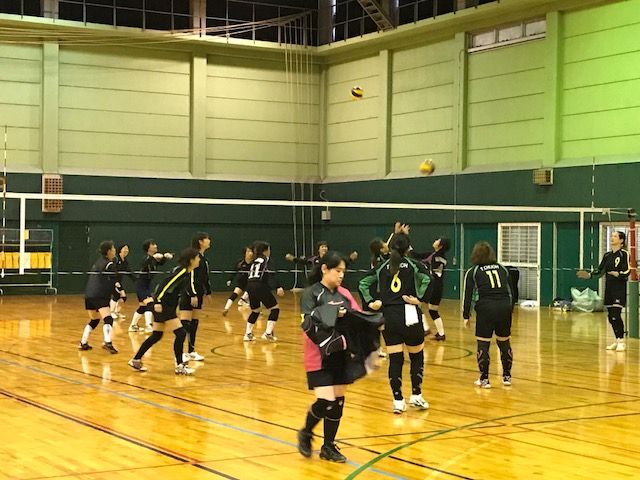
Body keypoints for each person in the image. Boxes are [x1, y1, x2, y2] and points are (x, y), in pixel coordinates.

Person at [297, 251, 383, 463]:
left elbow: (358, 320)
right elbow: (308, 323)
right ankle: (306, 432)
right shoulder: (311, 294)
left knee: (337, 401)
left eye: (343, 271)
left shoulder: (344, 294)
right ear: (324, 269)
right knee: (325, 400)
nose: (341, 275)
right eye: (337, 270)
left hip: (341, 356)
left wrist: (373, 343)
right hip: (318, 355)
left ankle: (328, 446)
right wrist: (333, 315)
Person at [358, 233, 431, 413]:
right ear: (408, 248)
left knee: (395, 360)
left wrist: (370, 301)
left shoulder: (382, 266)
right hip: (410, 314)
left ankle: (398, 400)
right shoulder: (414, 265)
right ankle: (416, 395)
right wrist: (420, 298)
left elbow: (363, 283)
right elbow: (429, 279)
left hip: (390, 316)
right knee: (416, 357)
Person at [128, 248, 200, 375]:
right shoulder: (181, 271)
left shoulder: (188, 272)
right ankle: (179, 366)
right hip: (163, 305)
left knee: (157, 335)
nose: (199, 260)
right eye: (197, 257)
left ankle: (136, 359)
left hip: (167, 305)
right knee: (181, 333)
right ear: (191, 260)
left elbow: (186, 287)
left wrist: (191, 295)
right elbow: (163, 285)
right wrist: (158, 301)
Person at [462, 241, 514, 389]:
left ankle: (484, 379)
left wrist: (466, 315)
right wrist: (510, 309)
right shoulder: (502, 268)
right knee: (504, 342)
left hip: (486, 308)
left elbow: (467, 295)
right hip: (504, 306)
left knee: (483, 343)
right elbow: (511, 291)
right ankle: (507, 377)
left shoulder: (473, 271)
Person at [577, 231, 630, 352]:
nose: (612, 238)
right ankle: (617, 340)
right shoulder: (607, 256)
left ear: (621, 240)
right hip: (609, 288)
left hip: (619, 288)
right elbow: (600, 270)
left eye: (615, 236)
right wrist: (589, 275)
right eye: (612, 236)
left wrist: (619, 274)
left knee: (616, 314)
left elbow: (628, 270)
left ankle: (621, 342)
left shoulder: (624, 254)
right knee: (611, 317)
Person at [78, 240, 123, 354]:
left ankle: (83, 342)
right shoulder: (109, 264)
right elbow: (114, 281)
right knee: (108, 319)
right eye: (113, 248)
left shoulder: (98, 262)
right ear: (109, 251)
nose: (115, 250)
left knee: (95, 319)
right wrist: (120, 293)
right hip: (99, 295)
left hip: (89, 295)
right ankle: (108, 342)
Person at [179, 232, 212, 363]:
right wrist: (192, 294)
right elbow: (189, 277)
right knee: (185, 323)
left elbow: (205, 277)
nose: (209, 241)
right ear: (200, 241)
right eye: (207, 239)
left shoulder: (204, 259)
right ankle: (181, 353)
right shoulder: (193, 256)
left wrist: (208, 292)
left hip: (198, 293)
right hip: (188, 293)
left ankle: (191, 351)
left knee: (194, 323)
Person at [129, 240, 173, 333]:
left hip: (146, 285)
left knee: (143, 307)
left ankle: (132, 326)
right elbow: (144, 264)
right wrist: (153, 257)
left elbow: (159, 263)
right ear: (148, 248)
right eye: (153, 244)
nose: (155, 246)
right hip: (141, 285)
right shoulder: (146, 258)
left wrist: (165, 257)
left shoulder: (152, 259)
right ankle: (149, 326)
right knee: (150, 304)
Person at [244, 241, 284, 342]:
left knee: (256, 310)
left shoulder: (254, 260)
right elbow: (271, 273)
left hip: (250, 285)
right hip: (260, 285)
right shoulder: (266, 259)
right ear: (266, 251)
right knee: (275, 308)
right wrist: (278, 286)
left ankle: (248, 334)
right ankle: (268, 333)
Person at [417, 237, 450, 340]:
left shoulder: (435, 257)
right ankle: (441, 334)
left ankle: (426, 328)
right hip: (439, 287)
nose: (435, 241)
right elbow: (418, 256)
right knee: (433, 310)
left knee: (417, 305)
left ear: (440, 245)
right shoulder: (440, 257)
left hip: (433, 286)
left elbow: (417, 256)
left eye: (437, 240)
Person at [222, 245, 253, 315]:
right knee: (234, 294)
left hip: (251, 283)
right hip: (241, 282)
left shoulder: (254, 263)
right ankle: (226, 308)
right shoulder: (240, 262)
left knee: (255, 294)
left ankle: (256, 309)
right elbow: (234, 271)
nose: (250, 253)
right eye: (248, 251)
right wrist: (230, 279)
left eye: (251, 251)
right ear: (245, 253)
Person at [109, 244, 131, 319]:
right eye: (125, 248)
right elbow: (112, 270)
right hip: (113, 281)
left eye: (127, 249)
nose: (126, 250)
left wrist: (135, 279)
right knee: (116, 295)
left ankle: (117, 312)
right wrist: (115, 281)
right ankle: (111, 312)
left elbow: (128, 271)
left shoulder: (125, 261)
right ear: (120, 250)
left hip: (119, 282)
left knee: (123, 297)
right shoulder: (115, 259)